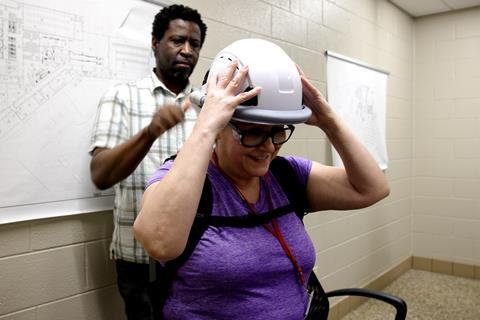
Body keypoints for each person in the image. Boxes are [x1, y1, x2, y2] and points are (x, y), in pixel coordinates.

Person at [133, 39, 390, 319]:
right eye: (253, 132)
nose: (269, 147)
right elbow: (159, 242)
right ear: (218, 126)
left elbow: (372, 188)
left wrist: (329, 120)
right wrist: (204, 126)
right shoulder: (183, 180)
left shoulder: (287, 175)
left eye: (278, 131)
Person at [88, 4, 207, 320]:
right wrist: (151, 131)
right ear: (155, 42)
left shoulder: (207, 107)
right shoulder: (122, 96)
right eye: (176, 40)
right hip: (137, 256)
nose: (186, 51)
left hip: (194, 252)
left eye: (194, 45)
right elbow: (100, 175)